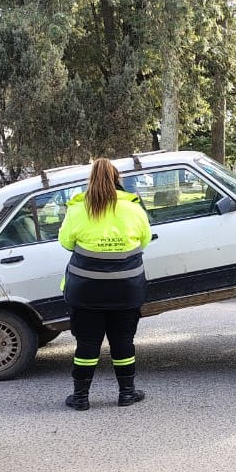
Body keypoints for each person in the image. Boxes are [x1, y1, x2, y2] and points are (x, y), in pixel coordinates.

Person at [58, 158, 152, 410]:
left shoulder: (77, 210)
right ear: (117, 180)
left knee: (87, 344)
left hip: (85, 291)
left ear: (90, 181)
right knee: (123, 341)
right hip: (126, 290)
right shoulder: (133, 209)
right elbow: (144, 241)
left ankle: (80, 398)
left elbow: (66, 243)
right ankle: (127, 394)